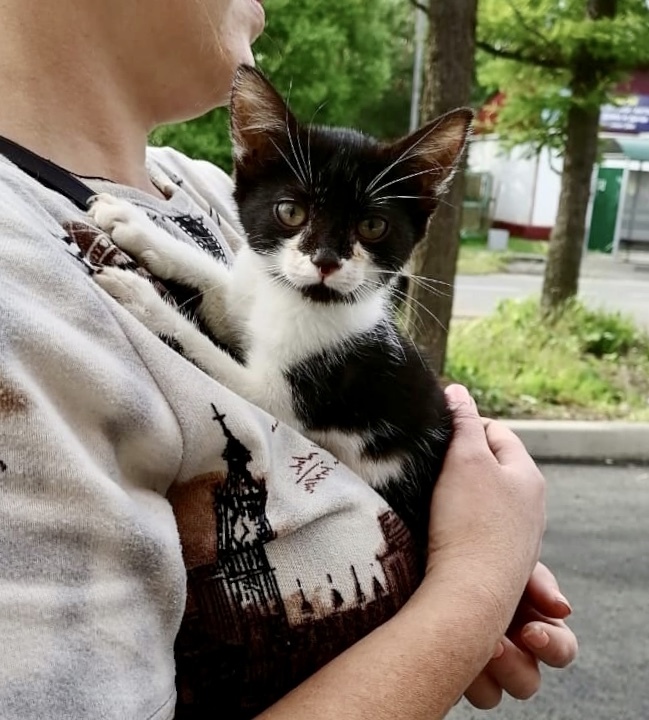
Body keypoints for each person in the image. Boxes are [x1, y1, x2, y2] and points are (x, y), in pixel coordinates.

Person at [0, 1, 577, 718]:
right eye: (301, 219)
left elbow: (262, 340)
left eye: (366, 226)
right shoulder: (17, 281)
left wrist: (457, 557)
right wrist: (474, 586)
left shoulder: (202, 192)